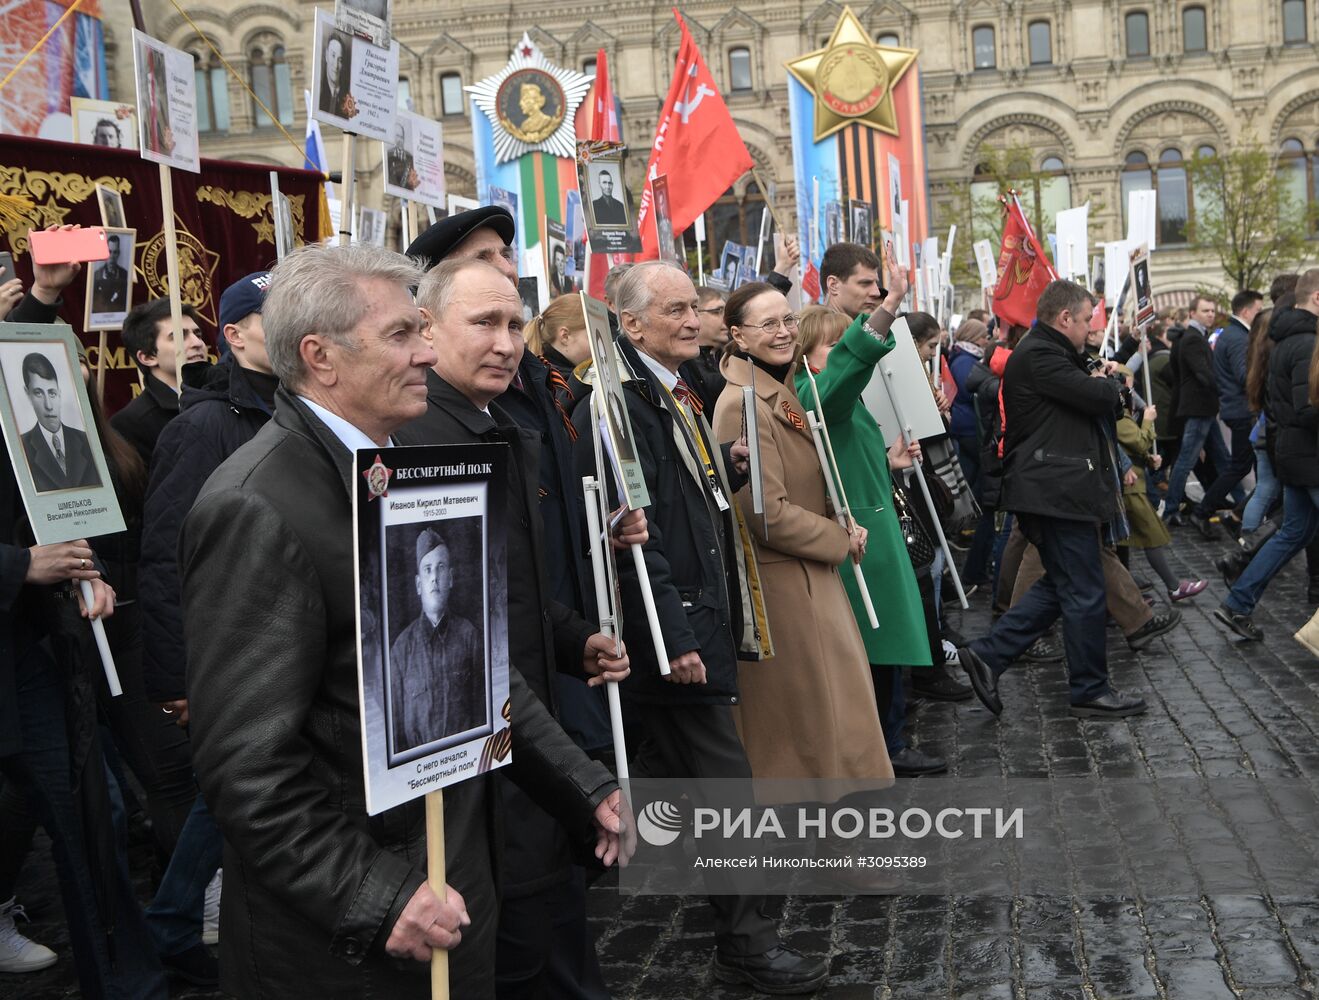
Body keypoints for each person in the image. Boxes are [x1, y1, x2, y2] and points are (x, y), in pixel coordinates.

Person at [180, 243, 630, 998]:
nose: (427, 352)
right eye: (401, 335)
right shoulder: (256, 504)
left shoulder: (402, 475)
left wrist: (588, 790)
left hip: (451, 883)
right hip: (350, 941)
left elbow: (482, 674)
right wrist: (375, 897)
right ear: (320, 356)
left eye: (422, 329)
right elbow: (246, 766)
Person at [575, 260, 829, 994]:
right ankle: (746, 945)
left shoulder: (667, 389)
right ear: (630, 325)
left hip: (691, 616)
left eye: (696, 307)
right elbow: (631, 528)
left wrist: (724, 462)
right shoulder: (619, 400)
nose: (695, 320)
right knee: (724, 785)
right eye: (677, 310)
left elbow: (677, 496)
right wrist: (674, 635)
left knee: (674, 780)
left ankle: (704, 906)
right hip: (674, 626)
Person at [405, 211, 617, 999]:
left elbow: (509, 589)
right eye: (484, 323)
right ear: (425, 327)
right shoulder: (423, 441)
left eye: (516, 323)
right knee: (527, 950)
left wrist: (571, 641)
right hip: (483, 759)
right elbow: (456, 623)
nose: (505, 342)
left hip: (524, 723)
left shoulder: (491, 422)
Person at [713, 281, 895, 788]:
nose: (783, 332)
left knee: (832, 731)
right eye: (767, 324)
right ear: (738, 336)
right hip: (785, 589)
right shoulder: (741, 402)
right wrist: (839, 537)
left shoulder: (779, 388)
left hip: (808, 577)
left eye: (787, 321)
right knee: (813, 738)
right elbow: (764, 512)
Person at [957, 280, 1148, 719]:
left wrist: (1104, 382)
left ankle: (989, 655)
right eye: (1084, 321)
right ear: (1065, 319)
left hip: (1056, 489)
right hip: (1055, 490)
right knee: (1082, 590)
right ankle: (1089, 689)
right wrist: (1109, 386)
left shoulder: (1050, 352)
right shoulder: (1041, 354)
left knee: (1064, 585)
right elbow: (1102, 397)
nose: (1087, 330)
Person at [794, 280, 956, 775]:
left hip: (876, 534)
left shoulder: (837, 395)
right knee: (878, 649)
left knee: (885, 650)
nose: (846, 353)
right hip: (862, 543)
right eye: (835, 345)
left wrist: (889, 461)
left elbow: (845, 457)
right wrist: (886, 309)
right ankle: (886, 745)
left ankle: (889, 737)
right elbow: (840, 381)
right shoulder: (814, 390)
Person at [1215, 267, 1319, 641]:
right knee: (1290, 534)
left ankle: (1237, 604)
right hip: (1308, 457)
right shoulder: (1308, 342)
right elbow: (1306, 408)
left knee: (1290, 535)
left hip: (1292, 454)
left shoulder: (1284, 338)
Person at [1113, 366, 1207, 601]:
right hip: (1130, 485)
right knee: (1150, 532)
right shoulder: (1119, 417)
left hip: (1133, 480)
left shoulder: (1122, 413)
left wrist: (1147, 459)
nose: (1132, 391)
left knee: (1121, 541)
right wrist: (1147, 422)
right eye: (1129, 386)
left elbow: (1133, 448)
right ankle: (1173, 586)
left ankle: (1128, 589)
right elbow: (1137, 442)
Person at [390, 529, 483, 751]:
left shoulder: (470, 636)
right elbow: (396, 731)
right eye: (427, 569)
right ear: (418, 584)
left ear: (450, 578)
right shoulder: (401, 650)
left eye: (441, 568)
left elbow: (482, 713)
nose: (434, 577)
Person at [1187, 289, 1264, 538]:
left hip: (1238, 409)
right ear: (1245, 311)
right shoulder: (1238, 337)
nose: (1260, 315)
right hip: (1241, 410)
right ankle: (1204, 512)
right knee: (1241, 467)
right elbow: (1245, 376)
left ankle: (1238, 514)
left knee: (1251, 469)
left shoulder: (1233, 334)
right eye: (1258, 311)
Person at [112, 298, 210, 465]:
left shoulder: (225, 396)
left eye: (197, 334)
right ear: (148, 357)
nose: (197, 343)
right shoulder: (131, 424)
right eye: (180, 336)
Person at [1164, 295, 1233, 524]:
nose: (1211, 314)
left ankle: (1227, 501)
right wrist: (1224, 389)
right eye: (1206, 311)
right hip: (1198, 407)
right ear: (1192, 313)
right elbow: (1202, 373)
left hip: (1204, 407)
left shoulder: (1196, 336)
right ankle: (1172, 508)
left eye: (1212, 311)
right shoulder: (1193, 338)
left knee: (1224, 459)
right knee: (1187, 460)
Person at [18, 352, 101, 492]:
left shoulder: (87, 440)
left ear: (60, 393)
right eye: (38, 393)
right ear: (28, 393)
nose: (49, 405)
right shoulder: (20, 448)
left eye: (52, 393)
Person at [91, 233, 128, 314]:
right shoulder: (96, 275)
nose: (111, 256)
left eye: (115, 252)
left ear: (118, 254)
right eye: (109, 252)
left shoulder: (125, 275)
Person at [318, 31, 350, 117]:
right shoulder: (318, 95)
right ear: (326, 55)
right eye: (333, 55)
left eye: (340, 60)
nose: (335, 65)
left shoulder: (349, 97)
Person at [386, 122, 416, 189]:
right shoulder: (388, 155)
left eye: (401, 137)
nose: (399, 140)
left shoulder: (410, 157)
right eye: (397, 136)